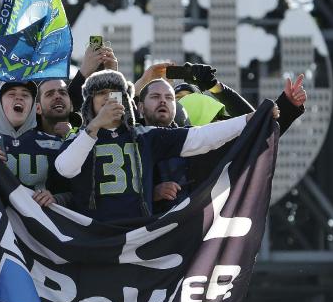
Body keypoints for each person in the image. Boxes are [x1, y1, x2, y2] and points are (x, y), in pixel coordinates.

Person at [54, 70, 258, 222]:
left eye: (115, 93)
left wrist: (247, 120)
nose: (108, 98)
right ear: (90, 102)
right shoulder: (79, 138)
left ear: (125, 101)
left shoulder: (145, 136)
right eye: (102, 93)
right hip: (94, 234)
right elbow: (65, 168)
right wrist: (95, 125)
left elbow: (200, 137)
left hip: (137, 233)